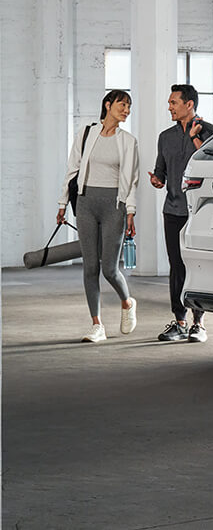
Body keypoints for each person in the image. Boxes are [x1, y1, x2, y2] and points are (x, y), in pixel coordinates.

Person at [57, 90, 139, 343]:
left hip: (114, 205)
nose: (126, 110)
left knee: (109, 269)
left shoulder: (128, 140)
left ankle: (127, 303)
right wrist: (62, 204)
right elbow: (72, 170)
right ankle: (97, 325)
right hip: (85, 203)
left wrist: (130, 212)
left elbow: (131, 181)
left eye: (128, 106)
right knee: (90, 267)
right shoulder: (86, 133)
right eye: (122, 105)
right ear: (108, 105)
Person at [149, 84, 213, 343]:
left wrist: (196, 138)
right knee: (177, 266)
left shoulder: (211, 131)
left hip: (201, 211)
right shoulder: (165, 137)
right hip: (173, 210)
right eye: (169, 102)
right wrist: (157, 180)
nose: (169, 107)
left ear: (189, 104)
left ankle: (198, 324)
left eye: (173, 102)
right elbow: (161, 172)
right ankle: (179, 321)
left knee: (197, 266)